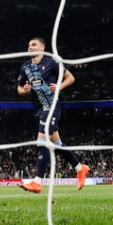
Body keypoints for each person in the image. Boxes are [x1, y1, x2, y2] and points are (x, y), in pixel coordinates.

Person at [16, 37, 90, 193]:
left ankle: (37, 181)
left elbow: (71, 78)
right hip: (39, 109)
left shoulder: (51, 63)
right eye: (29, 45)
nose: (30, 47)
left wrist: (59, 87)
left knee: (42, 141)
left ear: (42, 47)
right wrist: (25, 90)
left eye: (34, 44)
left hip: (51, 107)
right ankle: (80, 168)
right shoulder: (25, 67)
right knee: (57, 144)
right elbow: (19, 89)